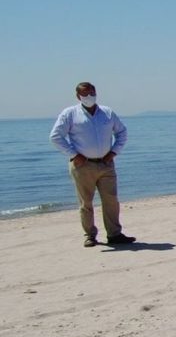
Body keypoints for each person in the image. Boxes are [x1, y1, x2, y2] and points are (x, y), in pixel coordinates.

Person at [49, 82, 136, 247]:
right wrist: (74, 154)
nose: (89, 96)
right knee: (86, 203)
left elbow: (122, 132)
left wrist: (114, 152)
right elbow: (56, 137)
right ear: (78, 96)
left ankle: (114, 234)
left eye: (91, 93)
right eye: (85, 94)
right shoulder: (70, 114)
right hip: (83, 165)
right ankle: (90, 235)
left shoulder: (107, 113)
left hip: (106, 163)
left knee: (111, 200)